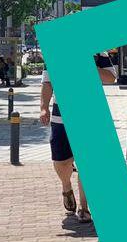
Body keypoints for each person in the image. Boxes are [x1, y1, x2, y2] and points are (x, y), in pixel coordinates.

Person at [38, 70, 90, 223]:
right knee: (61, 162)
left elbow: (111, 76)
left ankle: (84, 208)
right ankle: (66, 186)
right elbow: (48, 82)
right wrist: (44, 107)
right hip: (60, 117)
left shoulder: (99, 53)